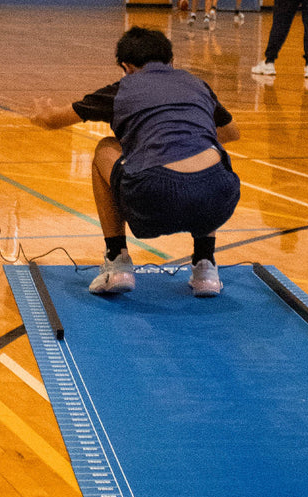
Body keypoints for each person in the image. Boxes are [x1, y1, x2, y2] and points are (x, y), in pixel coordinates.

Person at [30, 26, 240, 297]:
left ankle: (117, 261)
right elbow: (232, 133)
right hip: (219, 201)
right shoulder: (196, 84)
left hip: (153, 196)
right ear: (171, 61)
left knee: (104, 149)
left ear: (126, 67)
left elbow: (52, 120)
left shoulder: (121, 90)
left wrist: (41, 114)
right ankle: (205, 267)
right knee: (208, 153)